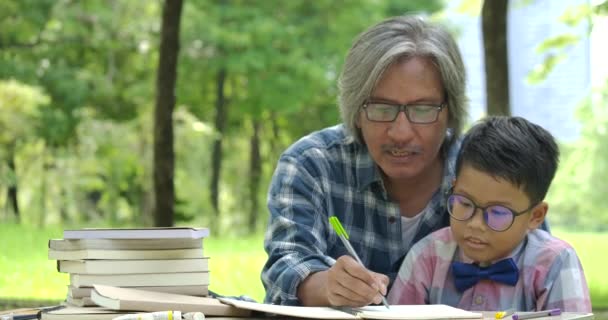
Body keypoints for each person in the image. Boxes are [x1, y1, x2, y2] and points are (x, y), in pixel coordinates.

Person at [261, 14, 468, 307]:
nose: (400, 133)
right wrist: (326, 286)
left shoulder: (486, 168)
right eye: (381, 108)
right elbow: (285, 266)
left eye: (422, 110)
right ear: (356, 111)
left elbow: (539, 260)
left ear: (451, 110)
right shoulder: (311, 164)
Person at [387, 116, 591, 312]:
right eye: (465, 203)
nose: (475, 224)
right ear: (454, 188)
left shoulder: (555, 263)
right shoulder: (427, 256)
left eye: (498, 212)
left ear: (535, 216)